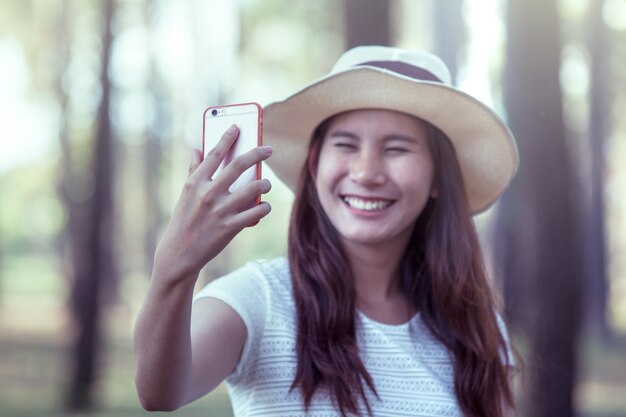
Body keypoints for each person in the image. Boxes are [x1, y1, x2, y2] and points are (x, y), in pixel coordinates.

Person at [134, 45, 520, 417]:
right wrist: (174, 269)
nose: (367, 173)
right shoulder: (257, 299)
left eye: (397, 149)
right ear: (315, 163)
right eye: (346, 145)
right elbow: (160, 392)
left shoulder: (475, 328)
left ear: (438, 175)